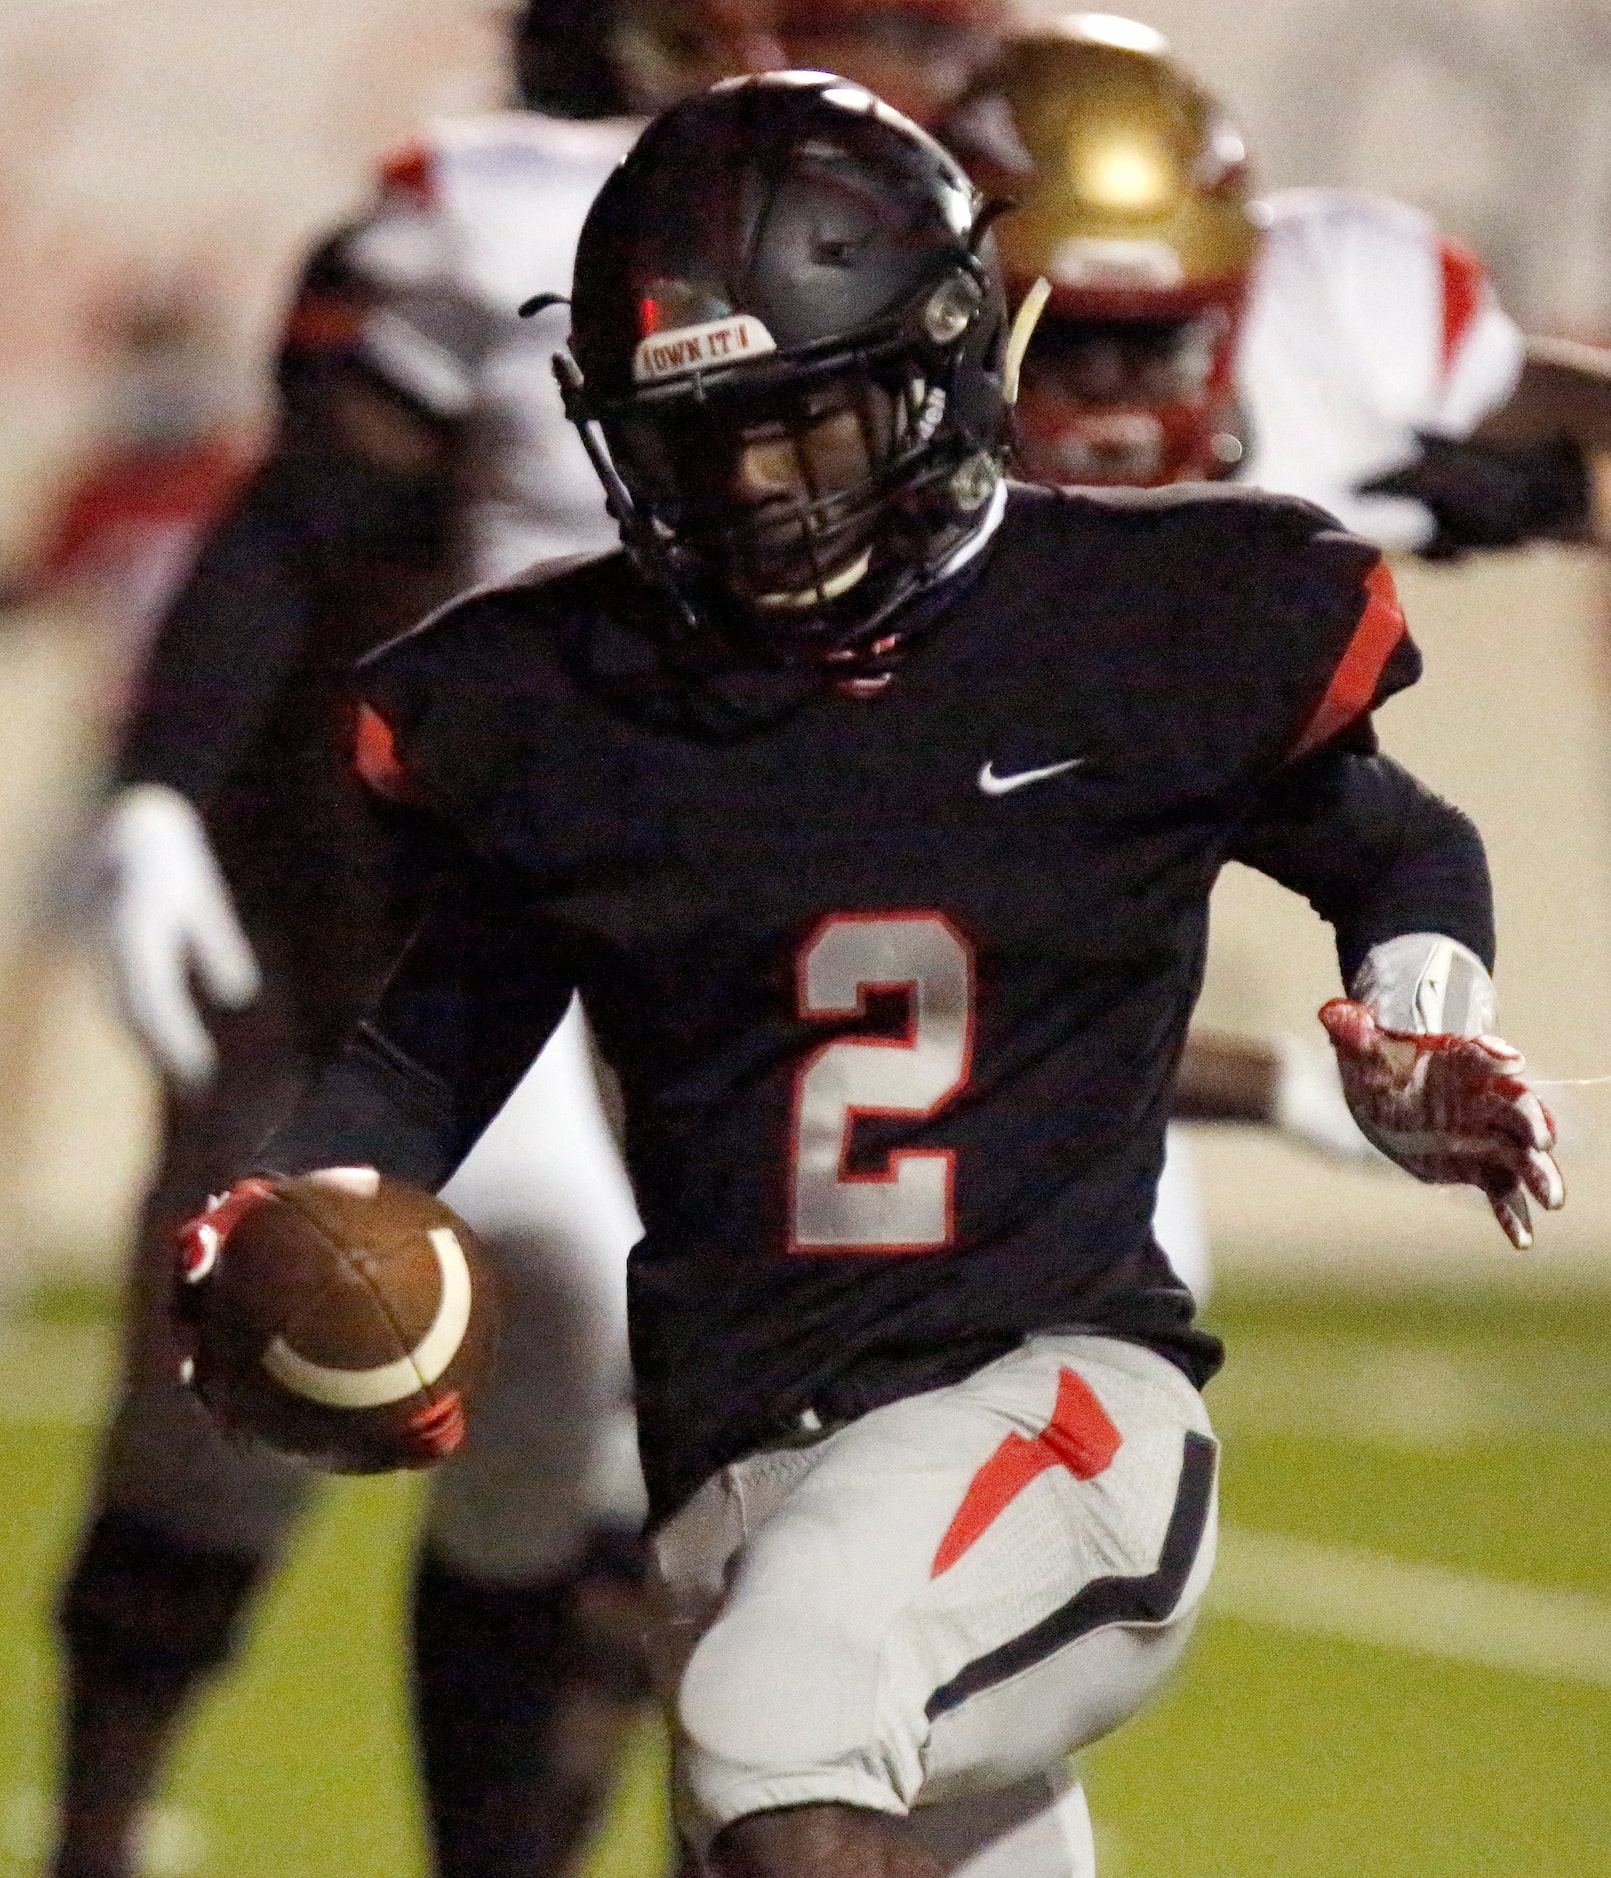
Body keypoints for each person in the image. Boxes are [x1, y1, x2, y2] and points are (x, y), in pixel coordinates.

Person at [188, 75, 1562, 1878]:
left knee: (780, 1725)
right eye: (703, 441)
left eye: (805, 427)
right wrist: (295, 1211)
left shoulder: (1142, 617)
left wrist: (1419, 1001)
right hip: (737, 1457)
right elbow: (436, 1041)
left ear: (937, 373)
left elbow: (1391, 840)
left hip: (1051, 1410)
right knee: (805, 1741)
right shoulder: (577, 705)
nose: (756, 492)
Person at [52, 9, 1023, 1878]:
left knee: (635, 1412)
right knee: (315, 1368)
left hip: (737, 897)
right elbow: (296, 524)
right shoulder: (495, 216)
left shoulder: (904, 219)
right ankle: (101, 1824)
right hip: (440, 892)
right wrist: (166, 788)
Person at [942, 11, 1611, 1297]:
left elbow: (1560, 429)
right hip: (795, 996)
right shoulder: (877, 520)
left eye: (1157, 334)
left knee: (1123, 1321)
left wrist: (1530, 488)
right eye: (1064, 335)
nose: (1115, 391)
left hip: (1041, 1020)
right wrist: (1284, 1086)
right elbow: (950, 964)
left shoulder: (1339, 339)